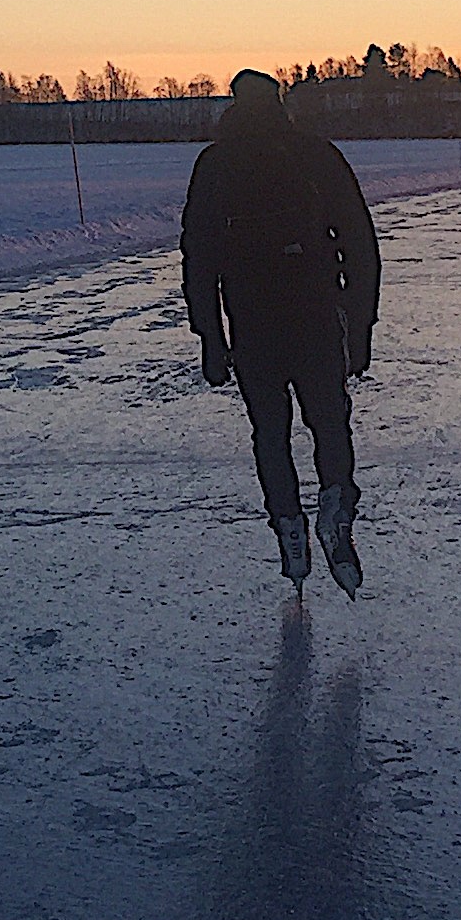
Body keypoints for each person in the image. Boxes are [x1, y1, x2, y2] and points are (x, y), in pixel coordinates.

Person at [181, 69, 379, 592]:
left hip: (252, 321)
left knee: (270, 432)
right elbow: (360, 243)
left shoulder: (215, 164)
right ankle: (335, 505)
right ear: (279, 103)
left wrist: (210, 337)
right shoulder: (317, 156)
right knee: (330, 423)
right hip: (316, 315)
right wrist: (360, 324)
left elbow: (198, 257)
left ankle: (289, 526)